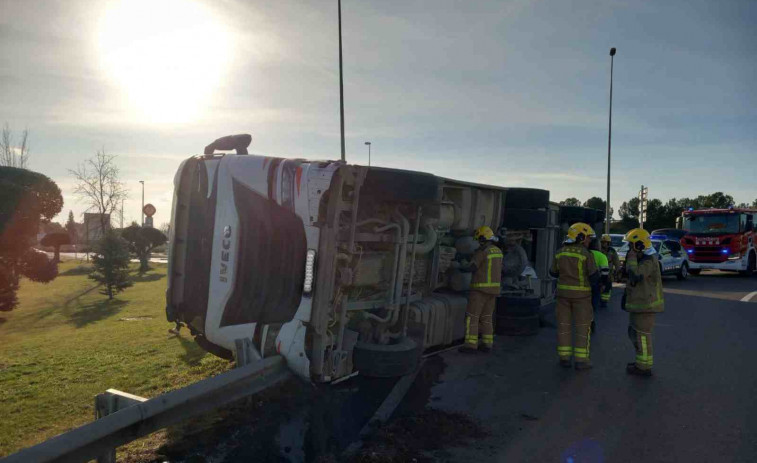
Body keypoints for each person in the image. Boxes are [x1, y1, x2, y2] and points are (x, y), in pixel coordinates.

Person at [550, 223, 599, 370]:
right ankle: (581, 360)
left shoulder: (560, 252)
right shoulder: (586, 254)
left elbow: (553, 272)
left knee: (563, 326)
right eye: (588, 238)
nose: (589, 241)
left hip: (562, 296)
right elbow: (594, 277)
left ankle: (564, 358)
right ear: (581, 237)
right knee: (582, 328)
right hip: (582, 297)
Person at [622, 228, 664, 377]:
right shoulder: (642, 259)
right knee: (634, 333)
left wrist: (632, 258)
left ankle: (644, 367)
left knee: (642, 336)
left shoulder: (649, 260)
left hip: (646, 305)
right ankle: (640, 361)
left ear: (639, 245)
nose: (628, 249)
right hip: (639, 305)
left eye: (630, 246)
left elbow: (636, 275)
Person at [459, 226, 503, 354]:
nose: (478, 242)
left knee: (472, 317)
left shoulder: (482, 251)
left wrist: (459, 266)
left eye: (479, 239)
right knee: (487, 317)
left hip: (480, 290)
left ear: (483, 239)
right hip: (493, 290)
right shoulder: (498, 251)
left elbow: (472, 267)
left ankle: (471, 345)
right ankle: (487, 343)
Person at [588, 238, 610, 332]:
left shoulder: (586, 254)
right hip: (596, 283)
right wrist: (604, 284)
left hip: (584, 282)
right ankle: (591, 320)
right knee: (593, 303)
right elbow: (605, 272)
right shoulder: (602, 256)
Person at [600, 234, 621, 307]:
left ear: (608, 243)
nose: (603, 244)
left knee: (607, 287)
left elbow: (617, 262)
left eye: (605, 242)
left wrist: (618, 272)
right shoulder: (598, 250)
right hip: (600, 272)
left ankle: (604, 301)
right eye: (602, 242)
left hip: (609, 273)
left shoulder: (612, 251)